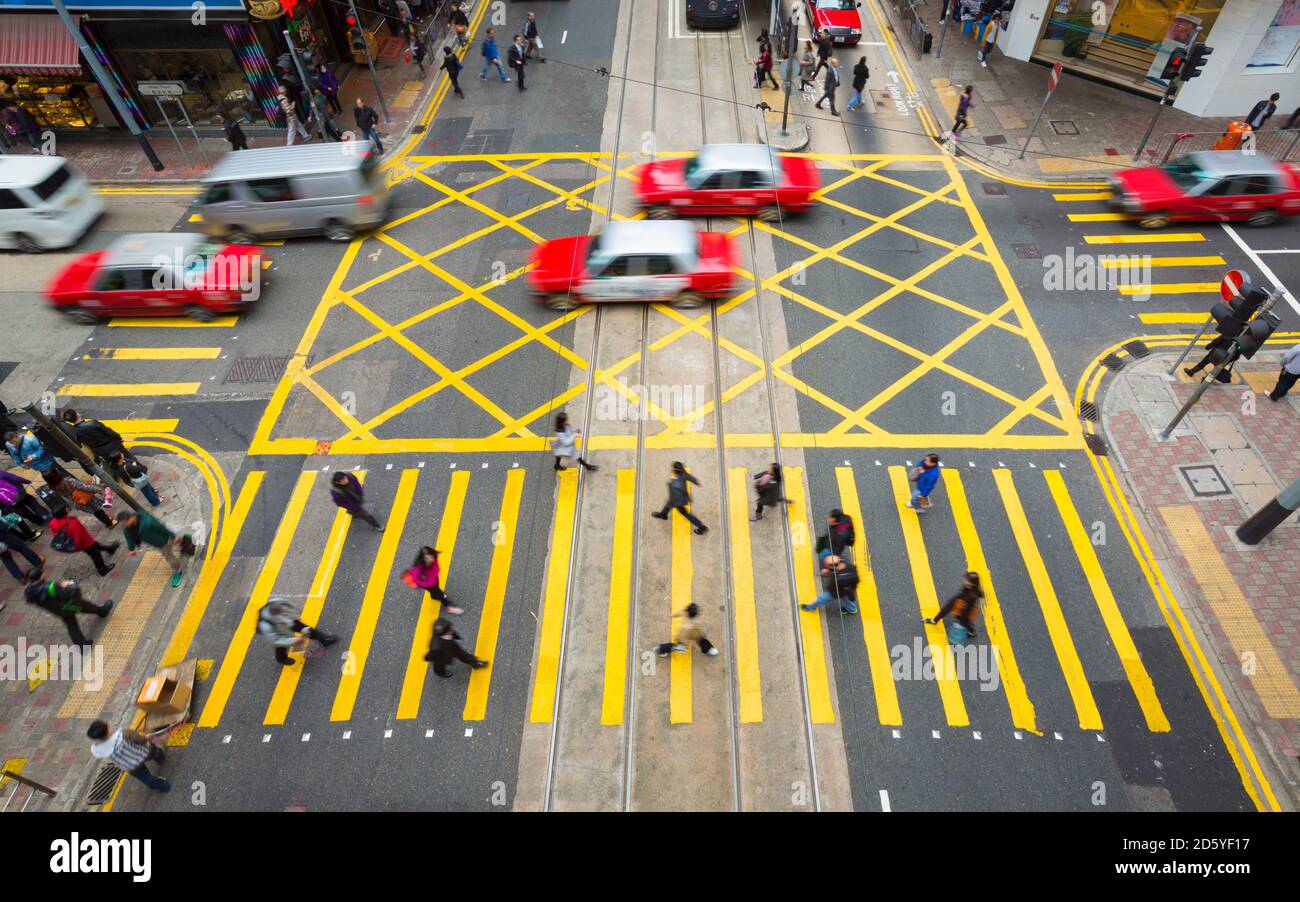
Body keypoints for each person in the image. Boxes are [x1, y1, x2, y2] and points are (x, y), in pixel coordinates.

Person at [26, 571, 113, 648]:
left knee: (71, 626)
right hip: (69, 606)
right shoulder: (51, 587)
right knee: (87, 606)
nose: (44, 572)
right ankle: (103, 611)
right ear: (41, 576)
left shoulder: (29, 591)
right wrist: (69, 584)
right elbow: (74, 594)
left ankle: (83, 647)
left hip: (57, 610)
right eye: (42, 572)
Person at [87, 720, 167, 792]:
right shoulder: (123, 734)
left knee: (147, 779)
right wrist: (146, 737)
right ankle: (161, 759)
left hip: (130, 765)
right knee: (156, 752)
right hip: (144, 753)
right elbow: (142, 740)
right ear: (107, 727)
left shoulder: (97, 749)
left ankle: (161, 785)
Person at [258, 599, 338, 666]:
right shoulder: (265, 626)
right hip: (280, 631)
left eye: (282, 610)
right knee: (281, 647)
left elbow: (289, 605)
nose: (283, 610)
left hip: (290, 622)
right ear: (274, 615)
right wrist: (296, 641)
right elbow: (276, 641)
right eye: (281, 612)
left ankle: (323, 640)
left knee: (307, 629)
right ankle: (281, 658)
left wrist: (296, 616)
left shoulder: (276, 602)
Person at [48, 503, 118, 576]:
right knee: (96, 555)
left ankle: (109, 549)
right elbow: (78, 537)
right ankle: (102, 570)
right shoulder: (72, 522)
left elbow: (56, 534)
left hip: (78, 543)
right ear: (63, 512)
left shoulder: (53, 522)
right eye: (66, 508)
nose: (68, 508)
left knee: (96, 546)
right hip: (85, 543)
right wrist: (79, 547)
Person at [120, 511, 185, 588]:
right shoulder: (127, 528)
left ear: (131, 518)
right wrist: (131, 549)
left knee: (169, 557)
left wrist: (173, 536)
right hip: (156, 542)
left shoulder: (147, 521)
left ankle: (179, 570)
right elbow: (129, 538)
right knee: (174, 543)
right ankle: (181, 541)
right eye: (122, 524)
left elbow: (161, 528)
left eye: (125, 523)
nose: (124, 525)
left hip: (161, 541)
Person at [650, 462, 707, 534]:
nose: (670, 469)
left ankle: (701, 526)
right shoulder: (683, 474)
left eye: (672, 468)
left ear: (675, 470)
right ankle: (663, 514)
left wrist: (670, 482)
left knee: (685, 513)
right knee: (668, 504)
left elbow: (674, 495)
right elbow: (691, 478)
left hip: (678, 500)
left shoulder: (674, 482)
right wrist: (697, 482)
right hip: (681, 498)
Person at [924, 571, 983, 641]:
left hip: (965, 609)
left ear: (972, 583)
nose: (965, 580)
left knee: (964, 622)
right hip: (960, 600)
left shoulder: (972, 596)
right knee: (946, 608)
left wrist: (961, 616)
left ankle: (972, 632)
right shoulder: (971, 587)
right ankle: (934, 620)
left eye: (967, 580)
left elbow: (968, 609)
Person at [404, 546, 462, 615]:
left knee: (435, 591)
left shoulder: (434, 559)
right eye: (426, 558)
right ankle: (449, 606)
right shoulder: (419, 566)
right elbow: (415, 579)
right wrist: (426, 583)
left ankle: (434, 596)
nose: (430, 559)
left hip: (434, 580)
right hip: (429, 584)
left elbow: (436, 568)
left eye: (431, 556)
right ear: (422, 558)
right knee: (441, 595)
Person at [47, 470, 115, 529]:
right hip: (88, 499)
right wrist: (99, 491)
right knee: (98, 510)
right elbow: (86, 488)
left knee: (95, 512)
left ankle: (107, 521)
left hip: (78, 502)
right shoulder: (69, 481)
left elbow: (65, 497)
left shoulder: (54, 488)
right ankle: (109, 523)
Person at [4, 429, 70, 486]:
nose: (14, 444)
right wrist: (21, 464)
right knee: (52, 478)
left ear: (17, 436)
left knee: (60, 474)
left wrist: (34, 455)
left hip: (47, 462)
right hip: (35, 465)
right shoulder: (8, 444)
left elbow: (41, 448)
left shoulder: (30, 439)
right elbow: (15, 455)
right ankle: (62, 487)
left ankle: (73, 483)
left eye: (15, 441)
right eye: (12, 443)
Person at [61, 409, 127, 465]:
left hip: (99, 451)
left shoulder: (75, 432)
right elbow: (108, 431)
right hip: (112, 445)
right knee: (127, 458)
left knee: (114, 464)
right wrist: (119, 438)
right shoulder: (93, 423)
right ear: (77, 415)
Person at [0, 518, 44, 582]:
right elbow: (3, 527)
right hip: (3, 536)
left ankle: (19, 577)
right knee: (22, 547)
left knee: (6, 558)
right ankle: (37, 561)